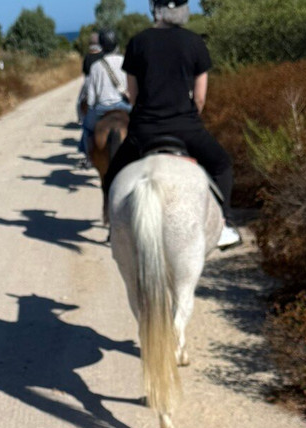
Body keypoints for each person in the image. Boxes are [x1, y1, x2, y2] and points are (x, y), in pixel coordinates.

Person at [101, 0, 241, 248]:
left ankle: (116, 227)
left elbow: (132, 97)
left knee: (112, 175)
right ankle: (224, 225)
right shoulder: (195, 42)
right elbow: (199, 97)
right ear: (183, 11)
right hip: (186, 129)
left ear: (155, 10)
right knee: (222, 165)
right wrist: (188, 116)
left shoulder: (138, 42)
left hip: (144, 131)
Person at [79, 29, 132, 159]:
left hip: (102, 108)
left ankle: (86, 154)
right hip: (124, 106)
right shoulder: (126, 61)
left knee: (87, 128)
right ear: (116, 44)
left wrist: (91, 106)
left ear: (101, 46)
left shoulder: (96, 66)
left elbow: (91, 95)